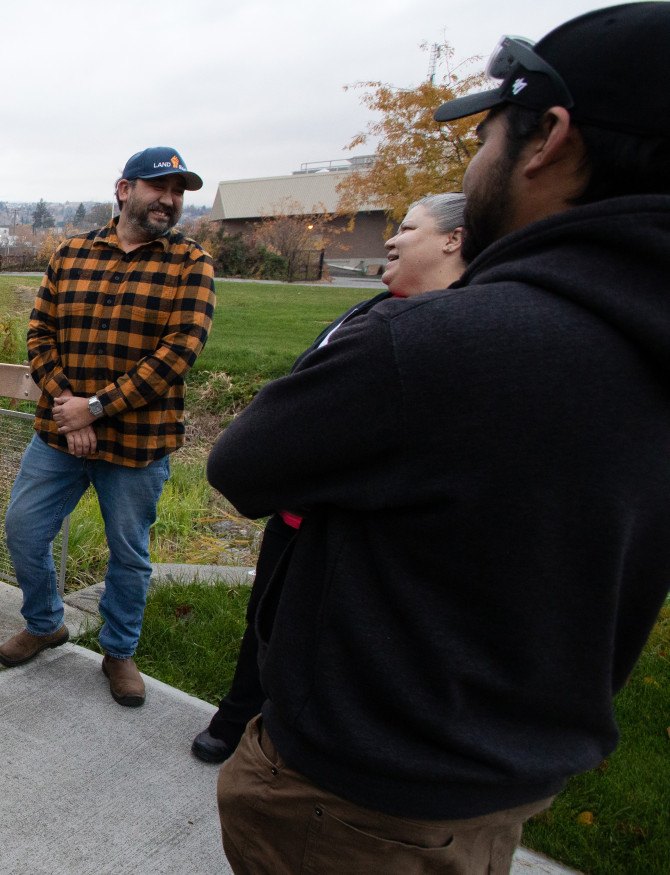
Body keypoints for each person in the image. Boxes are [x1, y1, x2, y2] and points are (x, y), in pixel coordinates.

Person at [209, 5, 670, 871]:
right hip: (504, 784)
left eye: (488, 131)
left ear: (548, 138)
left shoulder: (432, 344)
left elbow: (242, 464)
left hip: (356, 799)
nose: (476, 158)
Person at [189, 192, 466, 766]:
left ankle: (302, 743)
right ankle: (239, 715)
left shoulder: (454, 332)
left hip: (359, 536)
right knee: (265, 621)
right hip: (295, 519)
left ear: (453, 239)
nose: (390, 239)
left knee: (331, 645)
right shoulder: (368, 312)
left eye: (408, 228)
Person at [0, 147, 215, 709]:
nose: (169, 200)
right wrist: (70, 406)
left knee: (129, 554)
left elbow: (176, 355)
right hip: (59, 435)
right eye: (157, 187)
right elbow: (40, 334)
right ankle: (45, 622)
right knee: (22, 529)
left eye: (178, 191)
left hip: (138, 446)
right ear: (124, 189)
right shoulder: (70, 254)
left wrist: (96, 408)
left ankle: (119, 650)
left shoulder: (192, 264)